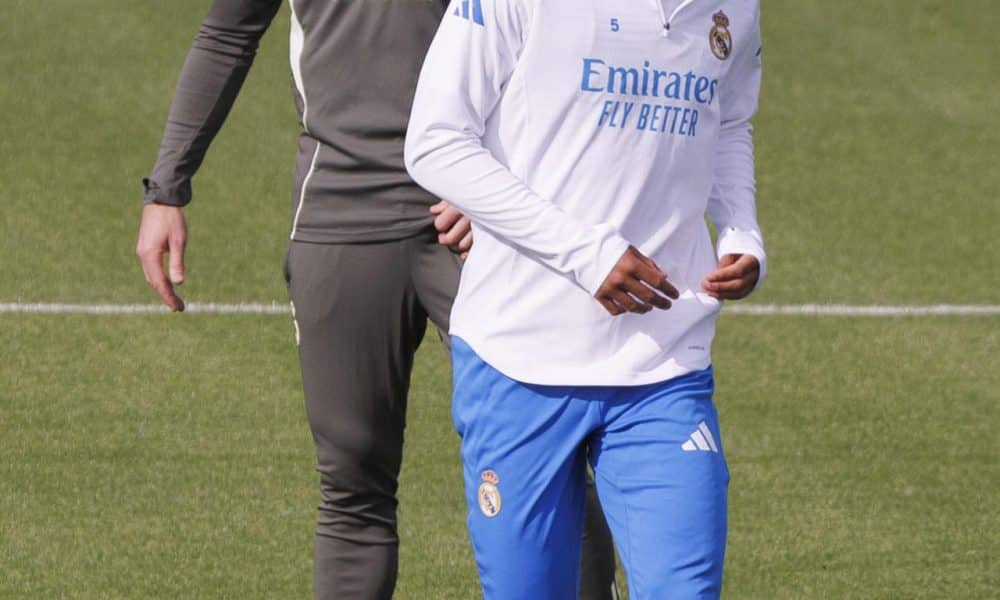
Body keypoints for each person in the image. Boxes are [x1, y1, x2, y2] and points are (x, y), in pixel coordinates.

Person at [134, 1, 617, 598]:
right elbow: (227, 34)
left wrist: (504, 178)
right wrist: (167, 188)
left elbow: (562, 35)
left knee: (546, 462)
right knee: (353, 481)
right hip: (340, 214)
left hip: (482, 219)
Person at [405, 0, 766, 598]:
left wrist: (740, 229)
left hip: (664, 363)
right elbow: (435, 141)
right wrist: (585, 255)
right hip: (515, 359)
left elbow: (727, 120)